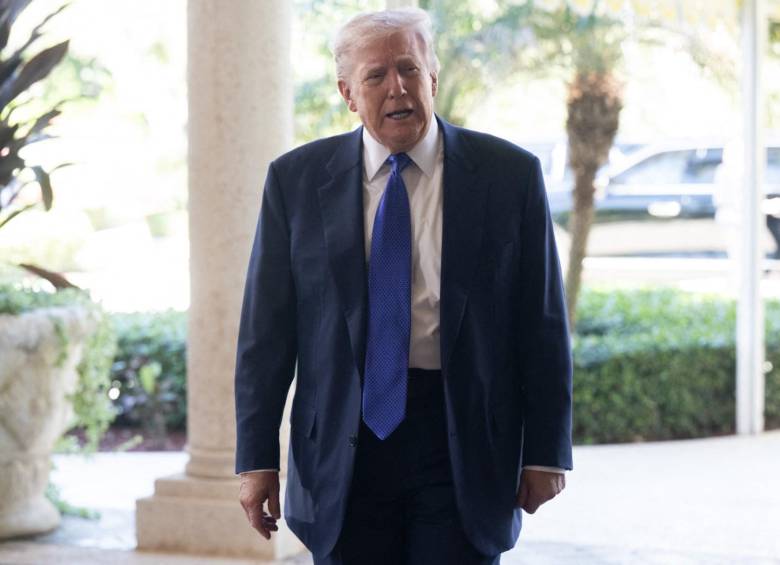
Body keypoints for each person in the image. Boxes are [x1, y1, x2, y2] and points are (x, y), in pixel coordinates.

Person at [234, 8, 572, 565]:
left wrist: (546, 450)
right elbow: (265, 335)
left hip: (461, 438)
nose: (398, 88)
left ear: (433, 78)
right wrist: (256, 460)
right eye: (376, 75)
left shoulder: (509, 176)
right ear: (348, 93)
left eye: (410, 70)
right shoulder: (295, 182)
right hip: (343, 443)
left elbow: (541, 324)